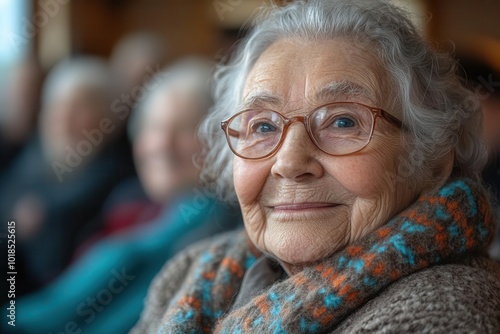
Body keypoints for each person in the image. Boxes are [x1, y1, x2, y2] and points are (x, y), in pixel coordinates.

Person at [132, 0, 500, 333]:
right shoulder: (192, 273)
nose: (290, 163)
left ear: (433, 161)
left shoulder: (442, 313)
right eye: (263, 126)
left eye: (343, 122)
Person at [4, 58, 242, 334]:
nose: (161, 144)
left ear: (221, 140)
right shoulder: (131, 204)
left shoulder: (210, 229)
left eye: (185, 129)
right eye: (152, 127)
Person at [0, 57, 134, 295]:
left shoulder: (122, 184)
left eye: (79, 107)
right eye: (56, 106)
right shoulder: (27, 159)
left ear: (108, 119)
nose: (64, 118)